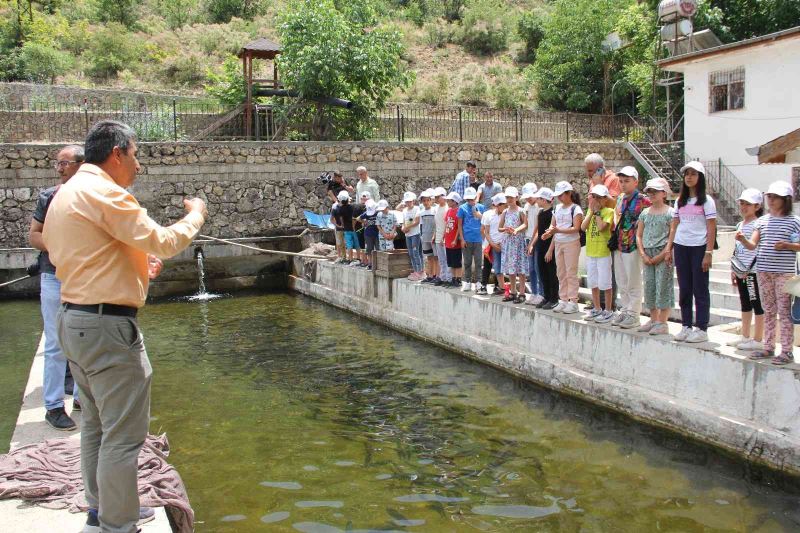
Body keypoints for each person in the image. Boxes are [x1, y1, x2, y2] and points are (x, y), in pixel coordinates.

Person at [44, 120, 207, 533]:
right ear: (117, 153)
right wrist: (196, 215)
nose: (138, 164)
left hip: (75, 320)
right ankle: (118, 524)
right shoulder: (105, 193)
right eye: (136, 154)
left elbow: (87, 256)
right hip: (106, 329)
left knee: (97, 426)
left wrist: (134, 266)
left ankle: (102, 508)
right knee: (124, 435)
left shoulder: (68, 194)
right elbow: (167, 241)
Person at [29, 144, 84, 431]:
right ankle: (52, 406)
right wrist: (60, 245)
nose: (60, 168)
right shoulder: (48, 197)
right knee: (55, 344)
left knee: (79, 340)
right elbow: (34, 235)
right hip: (53, 277)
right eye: (58, 164)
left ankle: (79, 398)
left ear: (81, 165)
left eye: (65, 163)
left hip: (81, 278)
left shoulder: (91, 198)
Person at [736, 181, 800, 365]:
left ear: (785, 200)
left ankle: (787, 350)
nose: (771, 200)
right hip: (763, 271)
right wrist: (742, 239)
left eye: (776, 197)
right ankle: (768, 346)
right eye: (770, 197)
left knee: (784, 311)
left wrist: (787, 245)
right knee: (769, 310)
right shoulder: (762, 221)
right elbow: (753, 245)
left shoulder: (794, 221)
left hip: (783, 273)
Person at [668, 161, 717, 343]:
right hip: (682, 246)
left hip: (699, 247)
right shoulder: (679, 201)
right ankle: (686, 325)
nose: (689, 177)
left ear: (700, 177)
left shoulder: (707, 201)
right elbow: (674, 226)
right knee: (685, 288)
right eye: (687, 174)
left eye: (693, 174)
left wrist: (708, 252)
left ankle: (702, 328)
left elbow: (712, 228)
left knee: (700, 288)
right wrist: (669, 248)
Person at [726, 188, 765, 350]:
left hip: (753, 272)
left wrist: (748, 269)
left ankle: (758, 339)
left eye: (748, 204)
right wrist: (734, 270)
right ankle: (745, 335)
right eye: (742, 203)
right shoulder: (740, 224)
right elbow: (737, 249)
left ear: (757, 206)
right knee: (745, 304)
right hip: (741, 271)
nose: (743, 207)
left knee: (756, 304)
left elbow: (753, 247)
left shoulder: (759, 224)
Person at [636, 178, 675, 336]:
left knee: (663, 286)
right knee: (650, 286)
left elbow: (672, 235)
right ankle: (653, 319)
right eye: (649, 191)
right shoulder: (645, 213)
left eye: (655, 191)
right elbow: (639, 235)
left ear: (664, 193)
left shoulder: (670, 213)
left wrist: (664, 253)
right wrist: (643, 254)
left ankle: (663, 321)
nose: (651, 194)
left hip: (663, 253)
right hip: (647, 253)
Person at [612, 166, 649, 329]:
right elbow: (616, 214)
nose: (623, 184)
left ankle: (634, 313)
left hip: (633, 244)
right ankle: (626, 309)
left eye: (626, 181)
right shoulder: (620, 198)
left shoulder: (643, 200)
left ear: (635, 181)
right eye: (621, 181)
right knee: (621, 279)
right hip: (619, 243)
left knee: (633, 280)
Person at [544, 181, 583, 314]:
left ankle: (573, 301)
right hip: (559, 242)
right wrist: (548, 233)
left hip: (571, 242)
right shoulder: (557, 208)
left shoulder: (575, 208)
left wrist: (557, 230)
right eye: (558, 195)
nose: (559, 198)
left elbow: (576, 228)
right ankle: (564, 300)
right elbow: (552, 225)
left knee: (570, 272)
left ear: (569, 193)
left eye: (561, 195)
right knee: (560, 272)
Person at [581, 184, 615, 323]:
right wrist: (591, 213)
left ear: (605, 199)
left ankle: (608, 309)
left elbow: (602, 228)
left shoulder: (608, 212)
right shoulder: (590, 211)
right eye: (594, 197)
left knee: (605, 282)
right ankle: (596, 308)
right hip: (591, 252)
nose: (596, 200)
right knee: (593, 282)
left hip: (603, 252)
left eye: (599, 198)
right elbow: (583, 227)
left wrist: (597, 213)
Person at [499, 187, 528, 304]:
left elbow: (525, 224)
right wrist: (505, 229)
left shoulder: (521, 211)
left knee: (520, 268)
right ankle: (513, 291)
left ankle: (522, 293)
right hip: (508, 242)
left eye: (511, 197)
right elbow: (499, 228)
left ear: (516, 198)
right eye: (507, 197)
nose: (509, 199)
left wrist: (516, 230)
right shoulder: (505, 212)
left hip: (518, 242)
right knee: (511, 268)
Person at [533, 188, 558, 309]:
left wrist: (550, 250)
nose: (537, 200)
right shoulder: (541, 213)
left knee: (551, 273)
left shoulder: (553, 213)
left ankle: (554, 298)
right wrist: (533, 244)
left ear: (544, 200)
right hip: (541, 247)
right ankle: (547, 297)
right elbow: (539, 231)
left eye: (539, 198)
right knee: (542, 273)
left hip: (549, 248)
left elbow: (553, 232)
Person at [457, 187, 486, 291]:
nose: (470, 201)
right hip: (467, 239)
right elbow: (459, 225)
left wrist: (480, 216)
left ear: (475, 197)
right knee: (467, 262)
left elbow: (487, 222)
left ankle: (478, 281)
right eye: (468, 200)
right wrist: (462, 239)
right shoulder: (462, 208)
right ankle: (468, 281)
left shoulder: (481, 207)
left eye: (472, 199)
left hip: (478, 239)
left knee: (478, 262)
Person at [479, 193, 507, 296]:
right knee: (487, 265)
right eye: (502, 204)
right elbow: (484, 231)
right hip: (489, 244)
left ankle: (498, 286)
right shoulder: (487, 214)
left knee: (499, 266)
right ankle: (483, 285)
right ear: (497, 205)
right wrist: (490, 244)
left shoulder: (506, 214)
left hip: (503, 244)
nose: (505, 206)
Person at [521, 183, 542, 305]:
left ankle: (541, 293)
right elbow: (526, 224)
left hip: (537, 240)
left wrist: (532, 244)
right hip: (528, 239)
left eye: (530, 196)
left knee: (538, 267)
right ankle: (534, 293)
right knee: (531, 269)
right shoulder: (527, 206)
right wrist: (516, 230)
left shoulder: (540, 206)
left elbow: (538, 228)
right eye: (527, 197)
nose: (529, 199)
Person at [400, 191, 425, 281]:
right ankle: (416, 270)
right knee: (411, 253)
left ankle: (420, 271)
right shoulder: (404, 210)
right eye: (407, 202)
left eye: (410, 201)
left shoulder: (417, 209)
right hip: (408, 234)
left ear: (413, 201)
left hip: (416, 233)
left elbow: (417, 221)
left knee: (416, 252)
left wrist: (407, 227)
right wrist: (403, 228)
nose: (408, 203)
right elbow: (403, 221)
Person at [444, 192, 464, 288]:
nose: (447, 202)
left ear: (455, 201)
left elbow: (458, 227)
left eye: (449, 201)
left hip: (455, 241)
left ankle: (458, 278)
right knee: (451, 261)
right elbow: (446, 224)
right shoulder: (448, 211)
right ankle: (453, 278)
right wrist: (444, 237)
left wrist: (455, 239)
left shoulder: (458, 211)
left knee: (457, 261)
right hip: (448, 239)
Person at [432, 187, 452, 286]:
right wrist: (435, 235)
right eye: (435, 197)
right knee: (441, 259)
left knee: (447, 258)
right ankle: (443, 277)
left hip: (446, 237)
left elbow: (447, 224)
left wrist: (444, 236)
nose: (436, 199)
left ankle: (449, 278)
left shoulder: (448, 208)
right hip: (438, 236)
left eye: (437, 197)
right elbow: (436, 223)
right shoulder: (436, 208)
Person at [418, 189, 438, 283]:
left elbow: (436, 225)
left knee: (435, 257)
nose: (426, 202)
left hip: (433, 237)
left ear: (431, 200)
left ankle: (435, 275)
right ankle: (429, 275)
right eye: (424, 200)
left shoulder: (434, 210)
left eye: (427, 200)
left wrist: (434, 235)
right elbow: (421, 226)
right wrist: (422, 236)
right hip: (425, 237)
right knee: (429, 257)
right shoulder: (421, 212)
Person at [334, 191, 359, 265]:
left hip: (346, 229)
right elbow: (354, 218)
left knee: (349, 245)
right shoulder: (353, 207)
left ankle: (350, 259)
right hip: (354, 228)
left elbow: (341, 219)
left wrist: (342, 225)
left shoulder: (340, 209)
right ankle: (358, 258)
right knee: (357, 244)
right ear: (348, 199)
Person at [358, 199, 379, 270]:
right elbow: (358, 218)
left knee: (378, 249)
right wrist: (364, 222)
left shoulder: (378, 213)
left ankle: (377, 264)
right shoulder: (366, 213)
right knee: (369, 249)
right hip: (368, 234)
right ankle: (370, 264)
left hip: (377, 233)